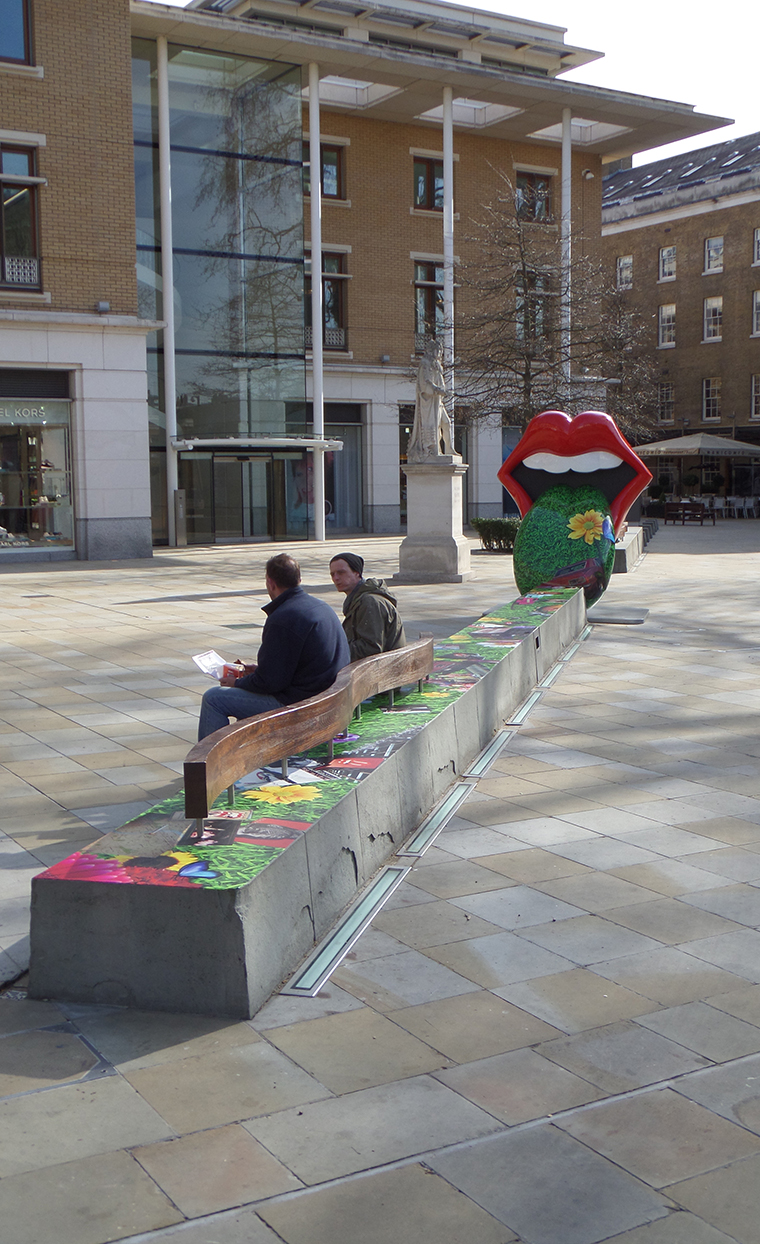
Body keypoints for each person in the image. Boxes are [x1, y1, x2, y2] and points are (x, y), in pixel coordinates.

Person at [197, 553, 350, 740]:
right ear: (298, 580)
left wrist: (237, 682)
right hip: (327, 699)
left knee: (214, 698)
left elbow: (271, 683)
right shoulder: (320, 606)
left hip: (301, 706)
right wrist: (257, 672)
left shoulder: (283, 618)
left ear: (270, 583)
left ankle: (207, 766)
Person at [329, 552, 407, 662]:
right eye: (332, 574)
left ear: (357, 573)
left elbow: (371, 648)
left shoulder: (370, 602)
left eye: (341, 573)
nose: (336, 578)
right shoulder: (359, 600)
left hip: (385, 671)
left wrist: (332, 649)